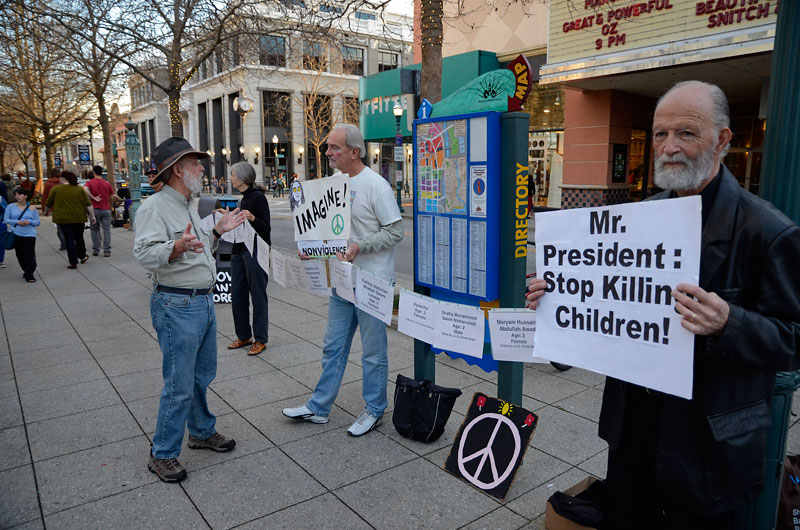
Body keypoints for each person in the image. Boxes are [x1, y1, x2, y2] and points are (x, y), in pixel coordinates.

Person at [526, 80, 800, 529]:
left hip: (707, 447)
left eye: (687, 134)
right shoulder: (641, 216)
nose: (669, 147)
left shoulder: (768, 231)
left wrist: (730, 323)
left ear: (723, 140)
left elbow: (793, 339)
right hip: (633, 432)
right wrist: (557, 300)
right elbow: (608, 309)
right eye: (659, 134)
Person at [133, 136, 245, 483]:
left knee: (200, 375)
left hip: (200, 301)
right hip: (177, 305)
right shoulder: (154, 207)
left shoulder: (186, 204)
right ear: (178, 169)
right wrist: (175, 247)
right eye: (196, 163)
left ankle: (200, 431)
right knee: (179, 383)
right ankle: (163, 453)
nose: (202, 167)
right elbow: (144, 254)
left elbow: (195, 247)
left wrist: (216, 230)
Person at [282, 123, 404, 437]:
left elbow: (395, 231)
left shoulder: (376, 186)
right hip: (343, 280)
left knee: (373, 352)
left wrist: (360, 246)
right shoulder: (334, 183)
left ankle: (375, 409)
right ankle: (319, 407)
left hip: (373, 282)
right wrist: (314, 248)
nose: (327, 153)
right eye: (327, 147)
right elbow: (330, 231)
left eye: (334, 148)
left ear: (354, 151)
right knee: (333, 346)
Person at [226, 161, 271, 356]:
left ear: (243, 177)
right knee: (237, 295)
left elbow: (266, 228)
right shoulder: (242, 199)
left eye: (233, 174)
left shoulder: (258, 198)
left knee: (258, 296)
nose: (230, 177)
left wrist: (253, 219)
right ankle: (244, 335)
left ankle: (260, 339)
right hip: (238, 251)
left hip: (255, 252)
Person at [45, 171, 95, 269]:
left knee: (69, 238)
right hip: (79, 218)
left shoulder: (56, 189)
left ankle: (73, 262)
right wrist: (92, 216)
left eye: (60, 177)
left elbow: (48, 203)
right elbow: (88, 204)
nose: (59, 179)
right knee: (79, 237)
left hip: (63, 218)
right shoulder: (80, 189)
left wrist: (46, 212)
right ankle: (82, 255)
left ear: (63, 178)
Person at [3, 187, 40, 282]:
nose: (17, 196)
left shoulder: (32, 208)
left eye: (19, 194)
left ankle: (30, 273)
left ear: (26, 196)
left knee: (29, 254)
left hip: (29, 234)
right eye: (15, 195)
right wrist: (18, 222)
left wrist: (29, 222)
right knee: (20, 255)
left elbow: (37, 222)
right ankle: (25, 269)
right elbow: (6, 220)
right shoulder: (10, 207)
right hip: (15, 233)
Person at [86, 165, 113, 257]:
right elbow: (111, 195)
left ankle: (96, 249)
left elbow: (84, 189)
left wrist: (93, 197)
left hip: (95, 209)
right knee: (107, 230)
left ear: (94, 172)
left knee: (94, 229)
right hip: (106, 209)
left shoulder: (90, 183)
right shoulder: (107, 183)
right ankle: (106, 250)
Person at [41, 169, 67, 250]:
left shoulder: (48, 183)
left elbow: (45, 197)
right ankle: (68, 241)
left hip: (55, 208)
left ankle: (63, 243)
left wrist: (44, 209)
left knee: (59, 227)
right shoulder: (62, 182)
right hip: (66, 207)